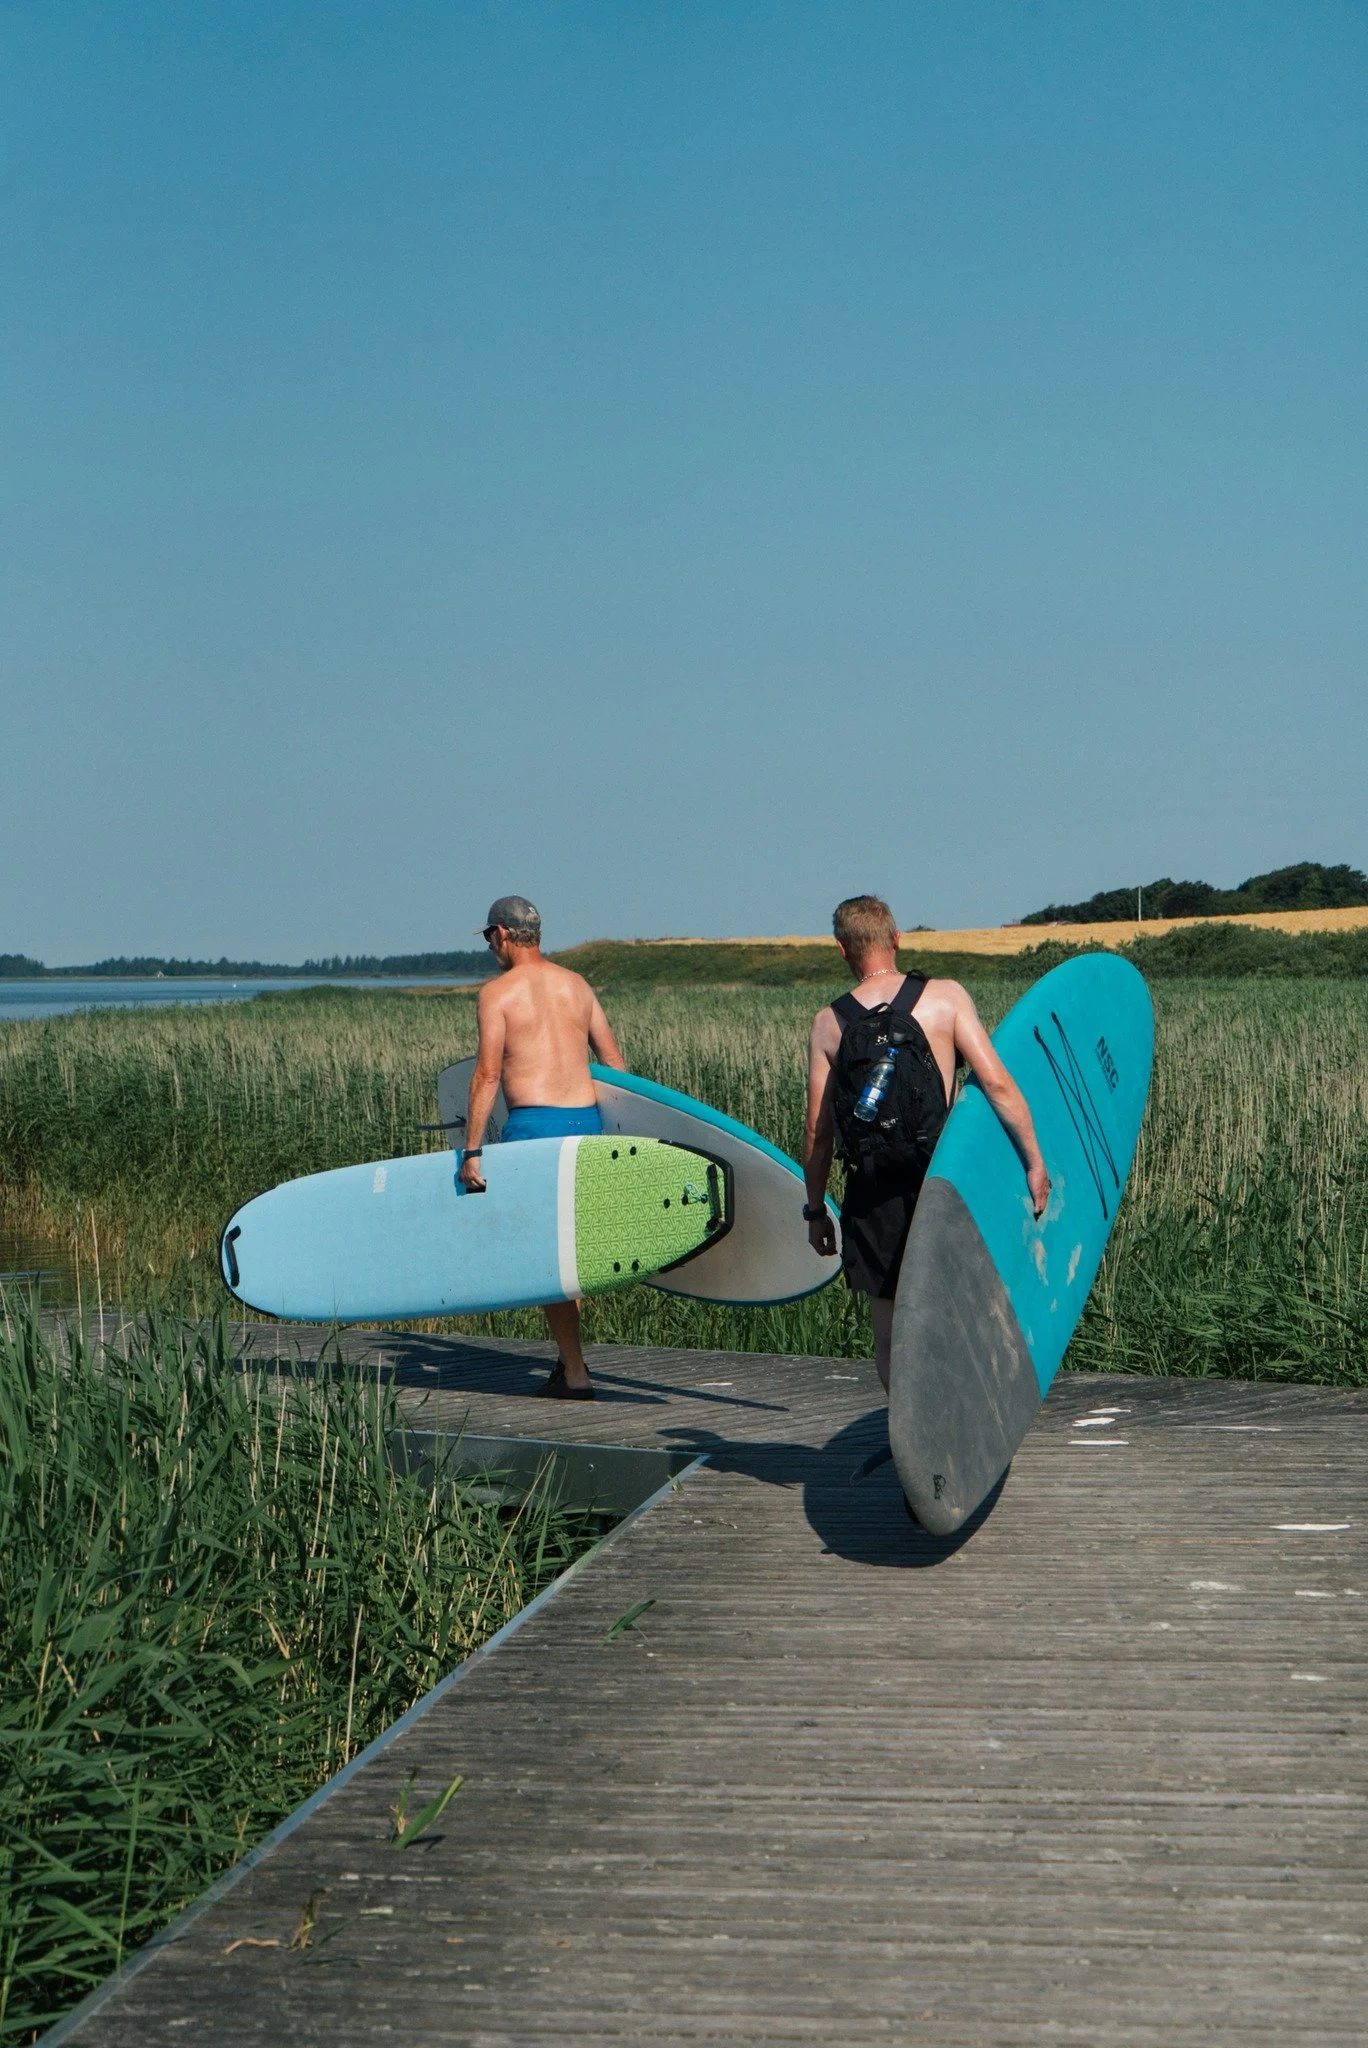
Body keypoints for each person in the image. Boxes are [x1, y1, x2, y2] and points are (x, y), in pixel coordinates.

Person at [803, 894, 1050, 1392]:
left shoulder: (829, 1023)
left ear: (842, 950)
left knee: (890, 1330)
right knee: (960, 1308)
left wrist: (814, 1211)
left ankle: (911, 1442)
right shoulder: (945, 998)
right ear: (895, 938)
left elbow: (818, 1132)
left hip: (873, 1196)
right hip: (942, 1179)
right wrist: (1034, 1162)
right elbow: (997, 1085)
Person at [459, 895, 628, 1399]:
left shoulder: (497, 994)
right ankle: (568, 1361)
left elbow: (488, 1073)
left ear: (503, 935)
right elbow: (616, 1066)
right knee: (571, 1253)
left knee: (548, 1259)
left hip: (534, 1131)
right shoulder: (577, 986)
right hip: (588, 1125)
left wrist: (471, 1151)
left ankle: (575, 1373)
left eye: (490, 936)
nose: (490, 946)